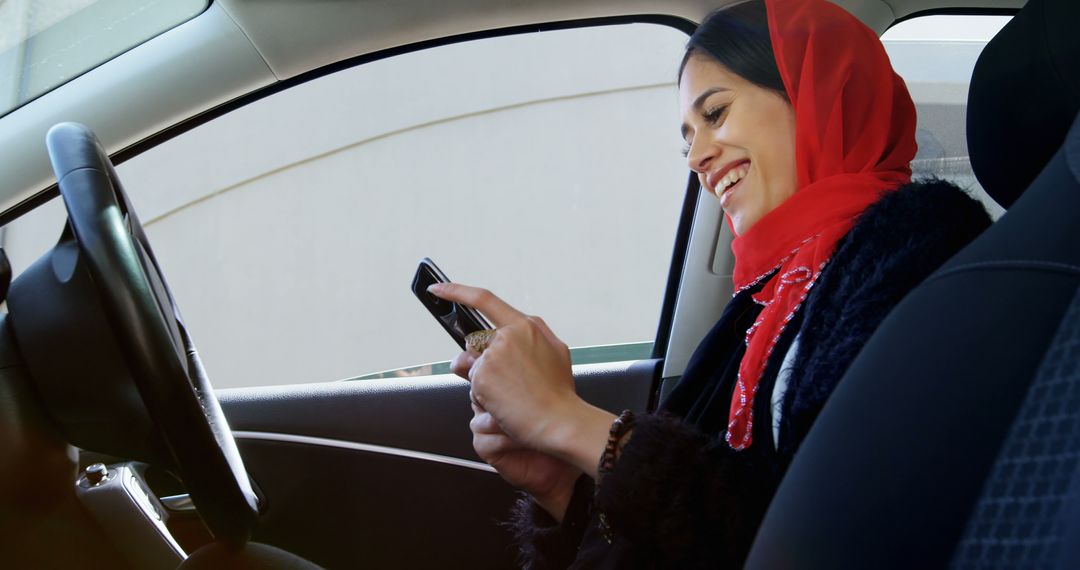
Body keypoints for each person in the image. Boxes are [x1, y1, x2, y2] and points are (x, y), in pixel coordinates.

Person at [429, 0, 992, 566]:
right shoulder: (760, 303)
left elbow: (821, 534)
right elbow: (697, 516)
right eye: (688, 138)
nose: (697, 156)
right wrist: (561, 486)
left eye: (716, 114)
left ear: (816, 93)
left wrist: (563, 417)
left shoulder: (916, 253)